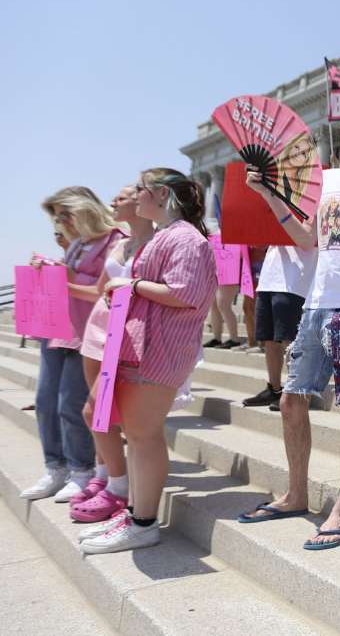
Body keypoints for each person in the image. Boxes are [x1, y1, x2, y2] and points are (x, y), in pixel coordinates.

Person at [235, 106, 340, 552]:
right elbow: (307, 237)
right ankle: (296, 493)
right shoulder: (325, 181)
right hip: (316, 301)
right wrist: (270, 193)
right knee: (291, 399)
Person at [79, 169, 217, 554]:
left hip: (160, 351)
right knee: (138, 435)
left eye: (140, 190)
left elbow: (184, 292)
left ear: (159, 194)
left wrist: (132, 286)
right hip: (144, 347)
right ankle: (138, 515)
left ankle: (142, 523)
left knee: (143, 435)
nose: (135, 197)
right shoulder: (171, 236)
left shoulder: (185, 239)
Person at [20, 187, 123, 502]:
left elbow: (104, 291)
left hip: (91, 333)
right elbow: (72, 277)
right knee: (46, 403)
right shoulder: (78, 243)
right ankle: (56, 468)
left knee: (71, 405)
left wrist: (62, 277)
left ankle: (81, 471)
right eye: (57, 216)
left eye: (66, 213)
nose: (60, 221)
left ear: (86, 208)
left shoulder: (115, 240)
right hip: (59, 329)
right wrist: (48, 268)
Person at [70, 185, 155, 523]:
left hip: (127, 330)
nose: (113, 202)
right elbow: (96, 289)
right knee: (98, 412)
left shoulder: (156, 242)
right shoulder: (121, 243)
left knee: (97, 410)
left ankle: (117, 486)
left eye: (121, 197)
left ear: (141, 201)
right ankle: (104, 475)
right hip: (98, 326)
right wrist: (59, 280)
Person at [241, 242, 317, 409]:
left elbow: (308, 238)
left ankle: (297, 391)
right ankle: (274, 389)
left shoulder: (311, 214)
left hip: (294, 280)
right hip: (268, 277)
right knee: (270, 338)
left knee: (289, 339)